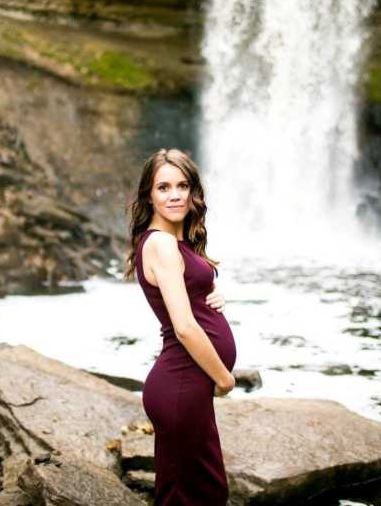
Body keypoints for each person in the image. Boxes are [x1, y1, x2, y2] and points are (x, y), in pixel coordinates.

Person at [124, 147, 237, 505]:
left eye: (182, 185)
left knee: (190, 492)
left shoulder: (174, 243)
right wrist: (224, 377)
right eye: (163, 187)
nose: (174, 195)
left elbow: (188, 298)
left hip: (184, 386)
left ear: (193, 192)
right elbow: (185, 327)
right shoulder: (161, 244)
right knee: (198, 494)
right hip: (182, 385)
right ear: (149, 195)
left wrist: (212, 293)